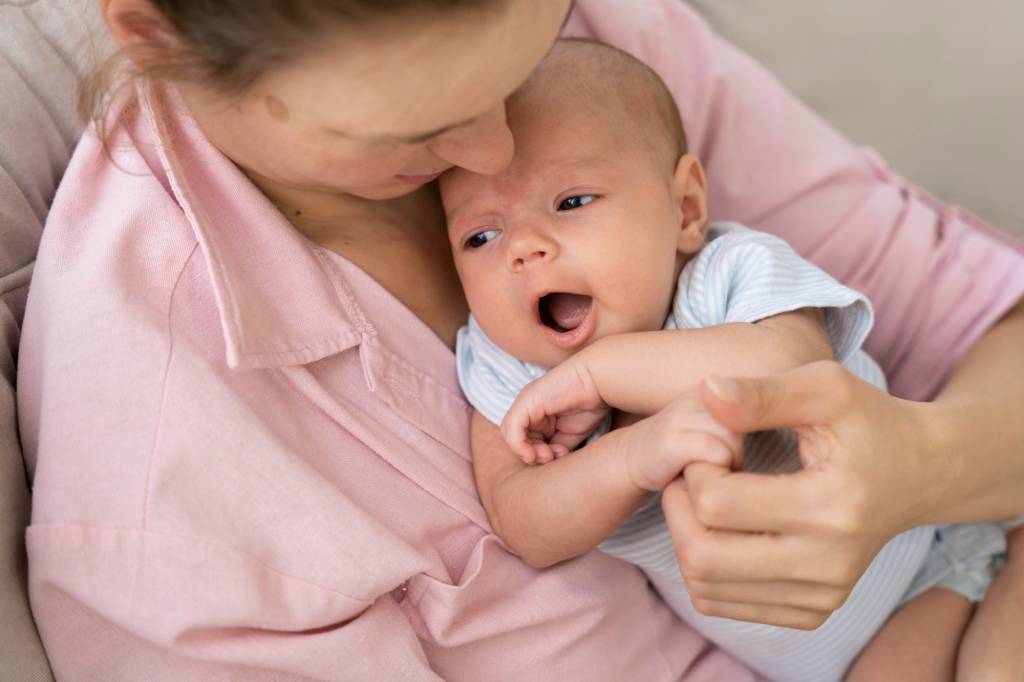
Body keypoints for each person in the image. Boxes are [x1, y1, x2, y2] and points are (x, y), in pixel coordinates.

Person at [15, 0, 1024, 679]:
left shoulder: (597, 43)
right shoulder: (156, 484)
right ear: (150, 33)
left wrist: (929, 466)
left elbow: (978, 317)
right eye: (419, 129)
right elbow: (528, 507)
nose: (496, 153)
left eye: (518, 63)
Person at [443, 38, 1017, 682]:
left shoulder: (727, 273)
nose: (523, 248)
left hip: (925, 567)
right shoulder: (504, 368)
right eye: (480, 236)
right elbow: (523, 518)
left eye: (572, 202)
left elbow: (791, 365)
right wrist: (631, 456)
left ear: (685, 209)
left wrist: (601, 373)